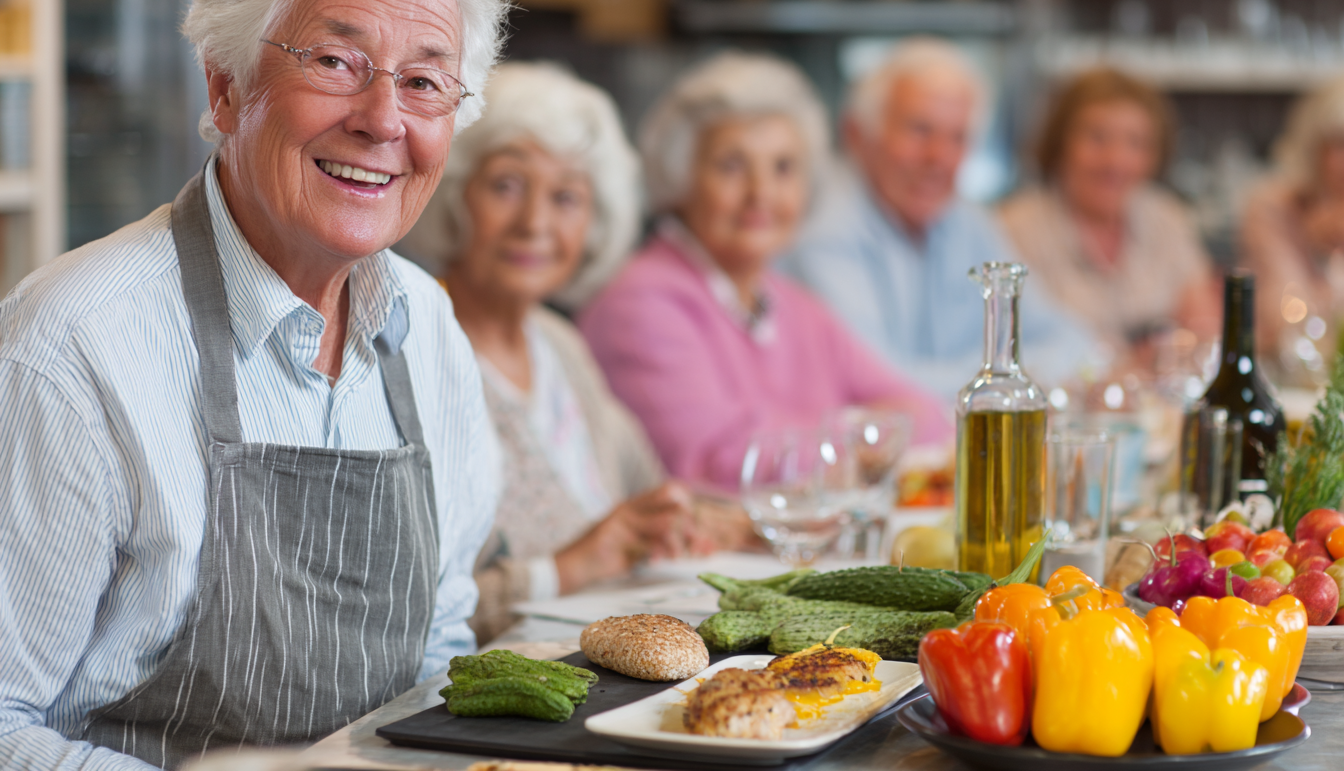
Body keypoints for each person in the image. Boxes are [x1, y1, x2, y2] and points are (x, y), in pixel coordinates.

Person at [0, 0, 507, 769]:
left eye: (423, 82)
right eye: (336, 62)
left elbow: (436, 657)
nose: (383, 119)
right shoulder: (72, 347)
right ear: (228, 88)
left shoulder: (427, 326)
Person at [401, 62, 732, 644]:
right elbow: (406, 615)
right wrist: (568, 569)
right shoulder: (413, 351)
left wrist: (694, 520)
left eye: (566, 197)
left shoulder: (559, 344)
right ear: (453, 194)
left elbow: (651, 496)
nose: (535, 223)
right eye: (506, 185)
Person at [580, 52, 951, 494]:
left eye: (783, 168)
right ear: (680, 177)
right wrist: (856, 434)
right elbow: (723, 461)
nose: (761, 193)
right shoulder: (638, 303)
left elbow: (925, 416)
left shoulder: (792, 304)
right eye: (731, 166)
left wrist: (818, 439)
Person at [782, 38, 1098, 401]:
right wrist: (1010, 380)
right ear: (857, 134)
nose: (939, 157)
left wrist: (1003, 378)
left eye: (957, 137)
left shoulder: (964, 220)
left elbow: (1075, 343)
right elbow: (881, 387)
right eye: (919, 130)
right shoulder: (823, 229)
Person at [999, 68, 1220, 355]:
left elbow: (1205, 328)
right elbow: (1010, 347)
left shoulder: (1166, 218)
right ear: (1060, 143)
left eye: (1135, 143)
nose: (1115, 160)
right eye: (1097, 138)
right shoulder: (1015, 229)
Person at [1242, 75, 1344, 357]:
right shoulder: (1272, 208)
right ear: (1314, 148)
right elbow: (1288, 327)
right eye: (1340, 144)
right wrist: (1328, 256)